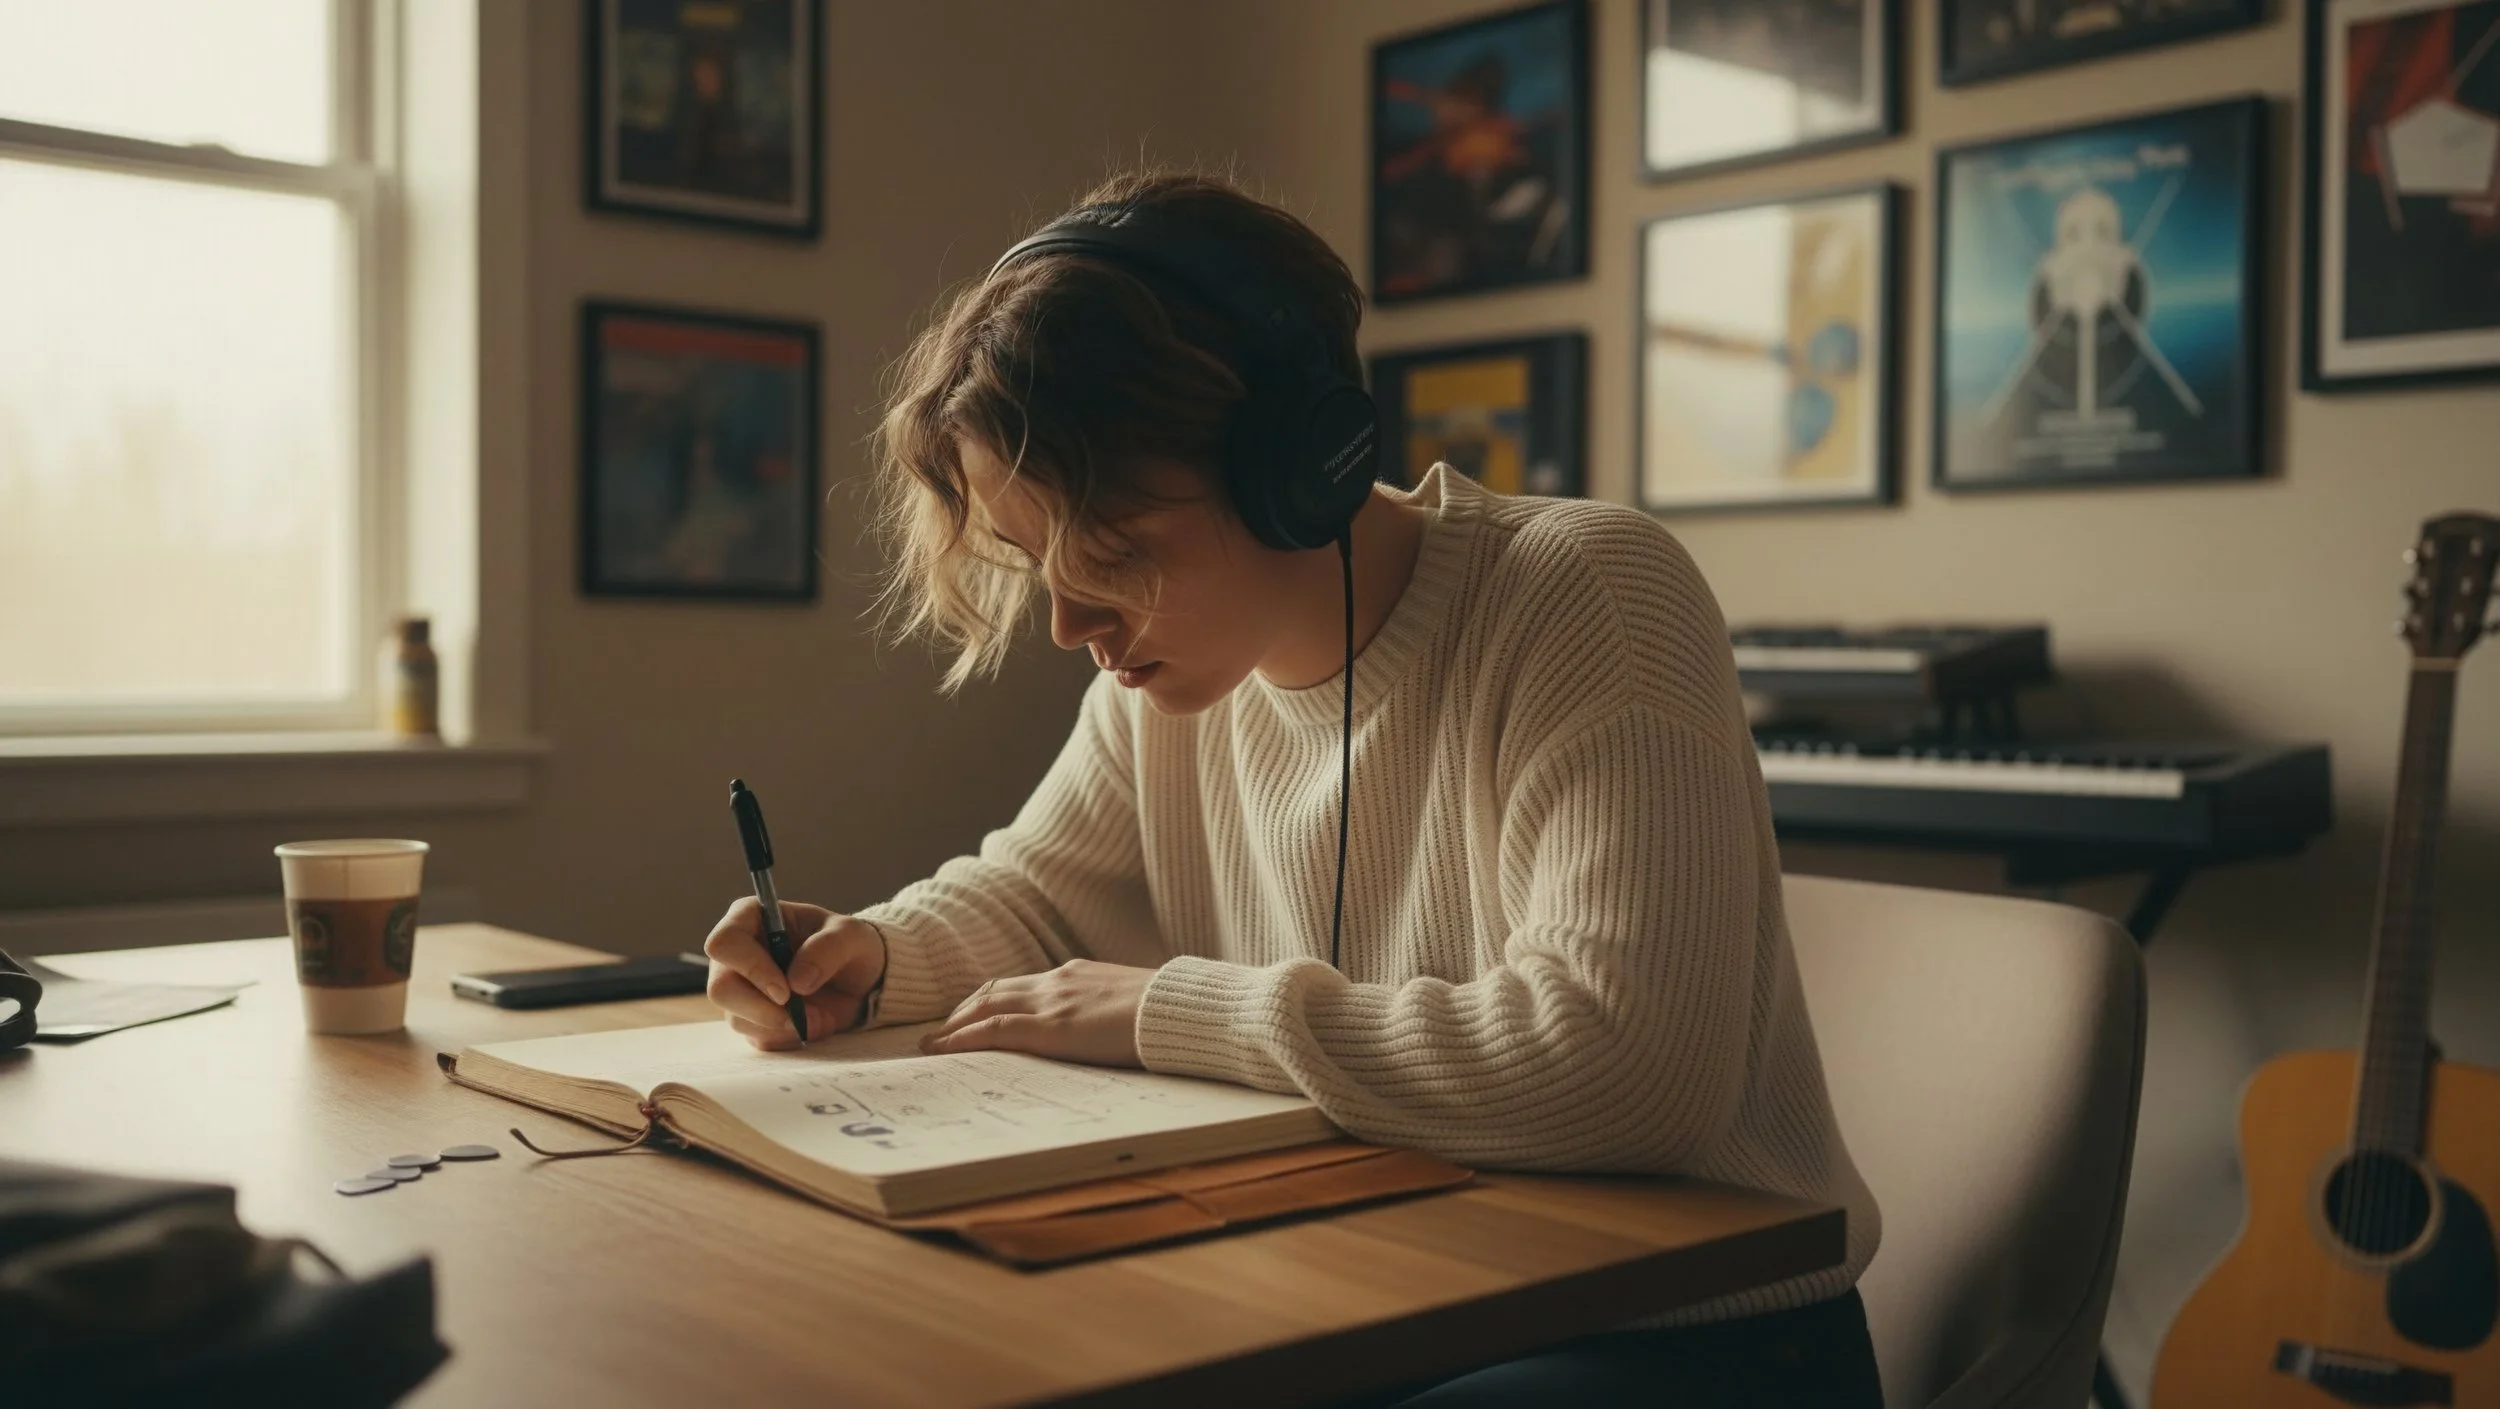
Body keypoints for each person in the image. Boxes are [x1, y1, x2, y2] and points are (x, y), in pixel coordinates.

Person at [700, 169, 1883, 1407]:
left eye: (1111, 553)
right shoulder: (1161, 681)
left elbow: (1624, 1062)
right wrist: (869, 957)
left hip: (1684, 1338)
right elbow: (1040, 904)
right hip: (1385, 1291)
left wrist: (1173, 1011)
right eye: (1036, 556)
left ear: (1296, 467)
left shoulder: (1584, 593)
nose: (1065, 620)